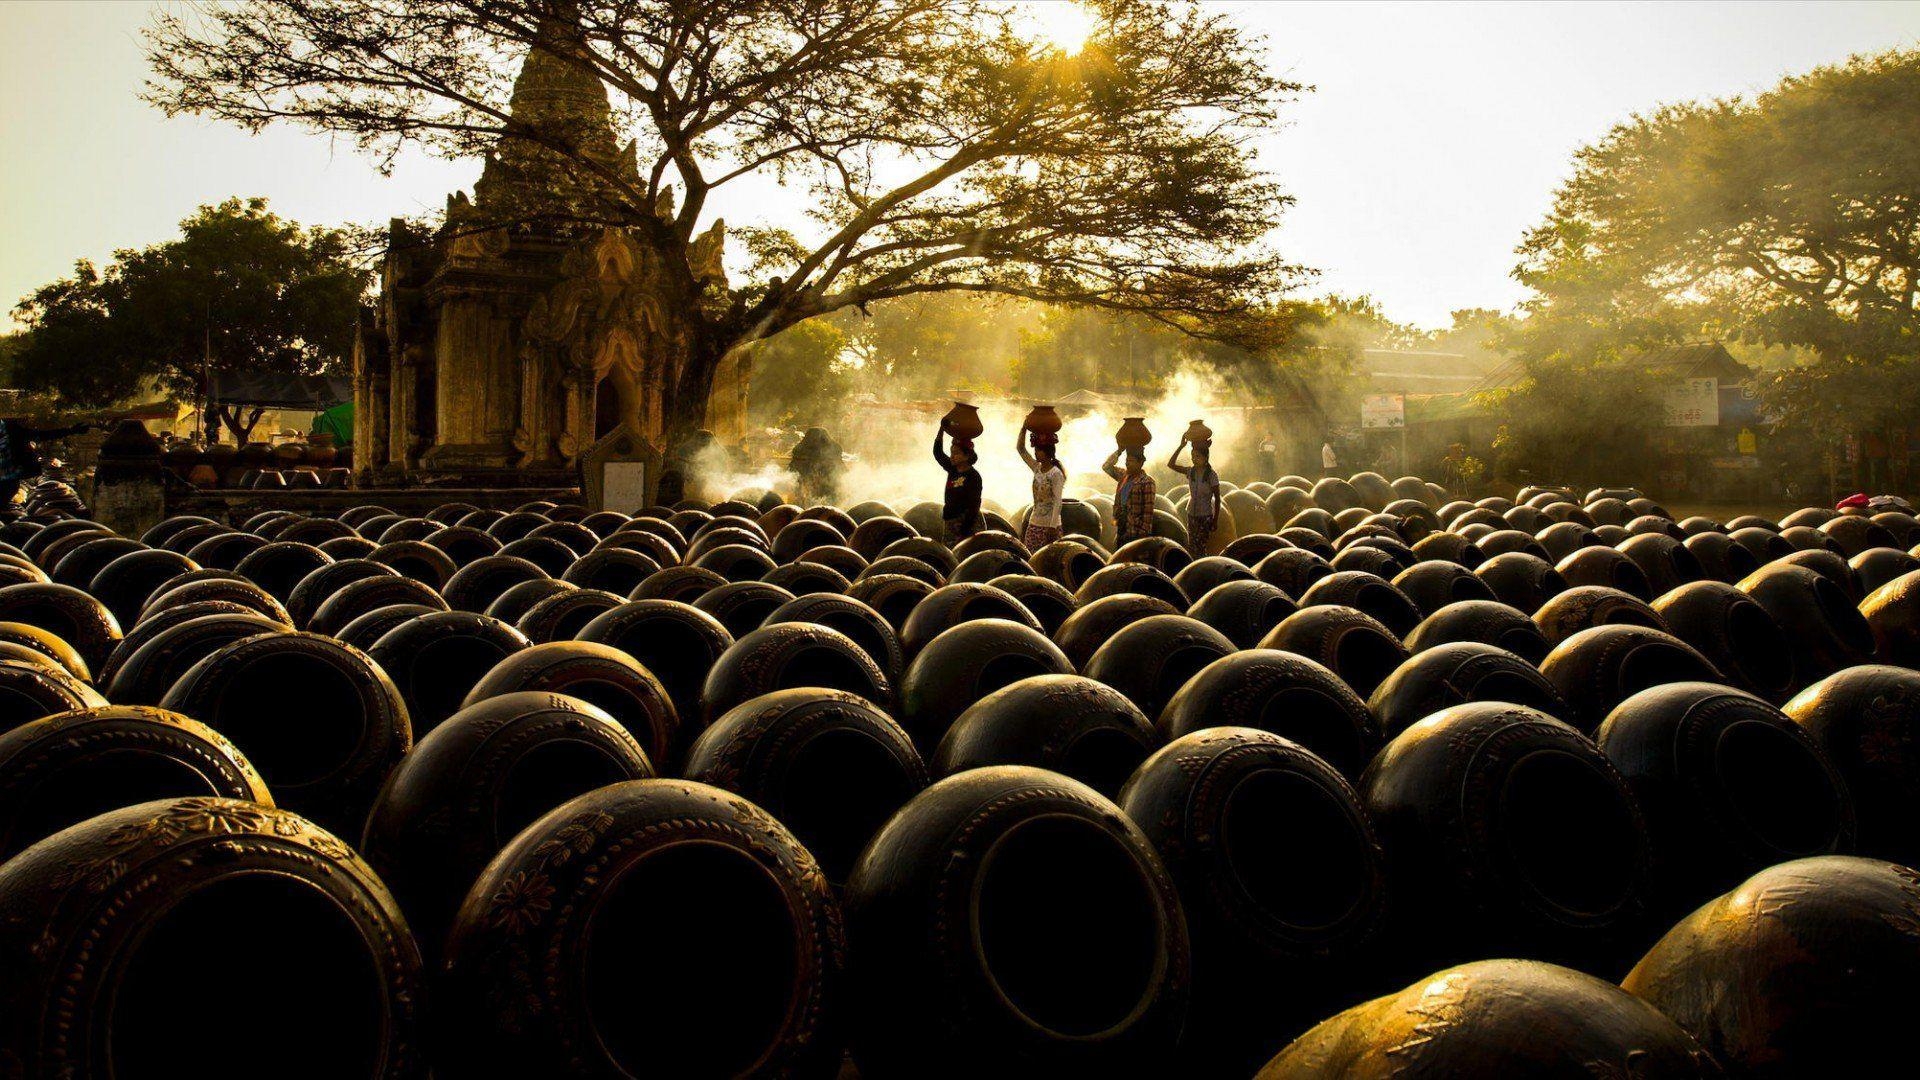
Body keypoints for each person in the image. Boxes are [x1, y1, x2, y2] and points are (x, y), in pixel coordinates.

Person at [0, 417, 91, 517]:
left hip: (9, 479)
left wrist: (71, 431)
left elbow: (41, 435)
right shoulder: (11, 429)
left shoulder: (12, 430)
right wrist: (71, 431)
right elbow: (41, 435)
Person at [1016, 424, 1067, 550]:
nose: (1036, 454)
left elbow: (1057, 501)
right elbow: (1021, 449)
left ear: (1048, 452)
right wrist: (1023, 429)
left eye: (1039, 451)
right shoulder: (1036, 468)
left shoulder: (1056, 473)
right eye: (1035, 451)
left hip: (1050, 526)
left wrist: (1052, 527)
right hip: (1034, 523)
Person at [1170, 435, 1222, 557]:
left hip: (1205, 515)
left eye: (1197, 456)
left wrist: (1215, 520)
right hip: (1191, 513)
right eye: (1193, 456)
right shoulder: (1190, 471)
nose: (1194, 459)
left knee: (1200, 546)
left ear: (1206, 458)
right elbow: (1171, 464)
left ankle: (1200, 568)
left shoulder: (1211, 475)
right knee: (1192, 545)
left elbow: (1218, 498)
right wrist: (1181, 446)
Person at [933, 419, 983, 543]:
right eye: (951, 453)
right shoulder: (952, 469)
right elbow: (938, 453)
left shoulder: (974, 477)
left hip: (965, 525)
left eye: (956, 453)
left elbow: (974, 506)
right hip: (950, 521)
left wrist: (964, 531)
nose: (952, 456)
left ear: (967, 456)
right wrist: (942, 429)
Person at [1103, 445, 1158, 546]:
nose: (1127, 463)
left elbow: (1148, 513)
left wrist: (1142, 538)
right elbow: (1106, 466)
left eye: (1131, 461)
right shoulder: (1123, 476)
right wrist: (1119, 451)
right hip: (1122, 528)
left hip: (1136, 532)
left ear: (1140, 463)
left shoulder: (1147, 482)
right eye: (1127, 461)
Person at [790, 427, 845, 506]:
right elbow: (842, 471)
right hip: (822, 492)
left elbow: (792, 471)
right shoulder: (834, 450)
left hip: (818, 491)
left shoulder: (800, 451)